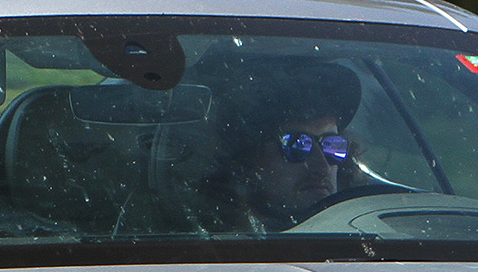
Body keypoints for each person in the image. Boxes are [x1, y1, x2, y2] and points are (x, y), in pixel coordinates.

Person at [160, 56, 374, 235]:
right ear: (248, 159)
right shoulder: (205, 245)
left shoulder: (373, 233)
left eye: (332, 146)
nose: (322, 167)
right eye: (298, 146)